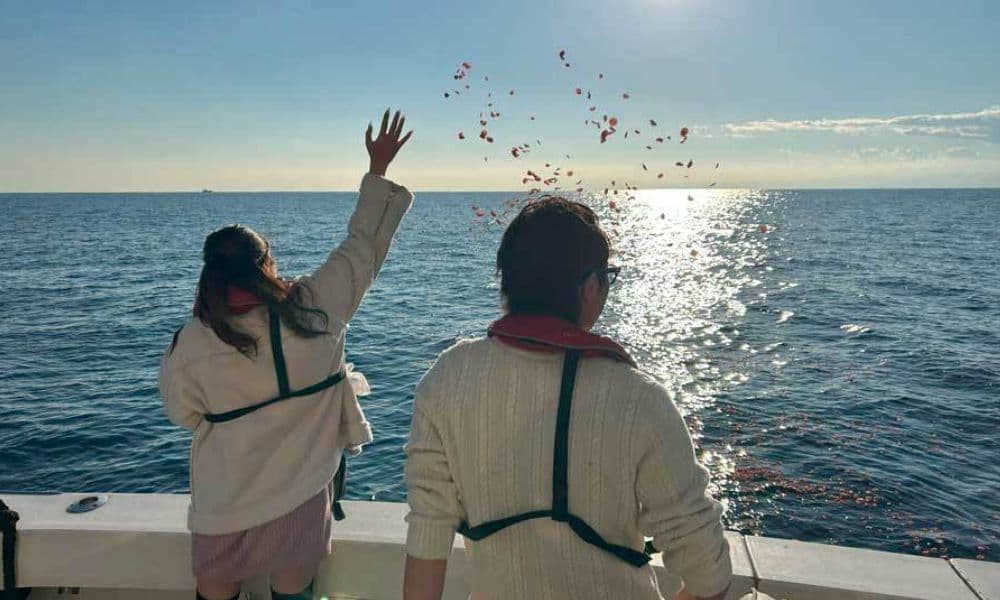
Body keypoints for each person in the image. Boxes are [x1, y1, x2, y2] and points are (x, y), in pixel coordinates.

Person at [403, 197, 732, 600]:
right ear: (590, 286)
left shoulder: (446, 378)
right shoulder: (637, 398)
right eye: (608, 276)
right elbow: (709, 574)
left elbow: (428, 531)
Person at [159, 109, 413, 600]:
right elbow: (363, 246)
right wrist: (376, 171)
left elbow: (181, 414)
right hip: (301, 493)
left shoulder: (191, 342)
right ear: (266, 264)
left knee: (215, 591)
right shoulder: (316, 311)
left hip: (224, 501)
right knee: (295, 591)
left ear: (210, 275)